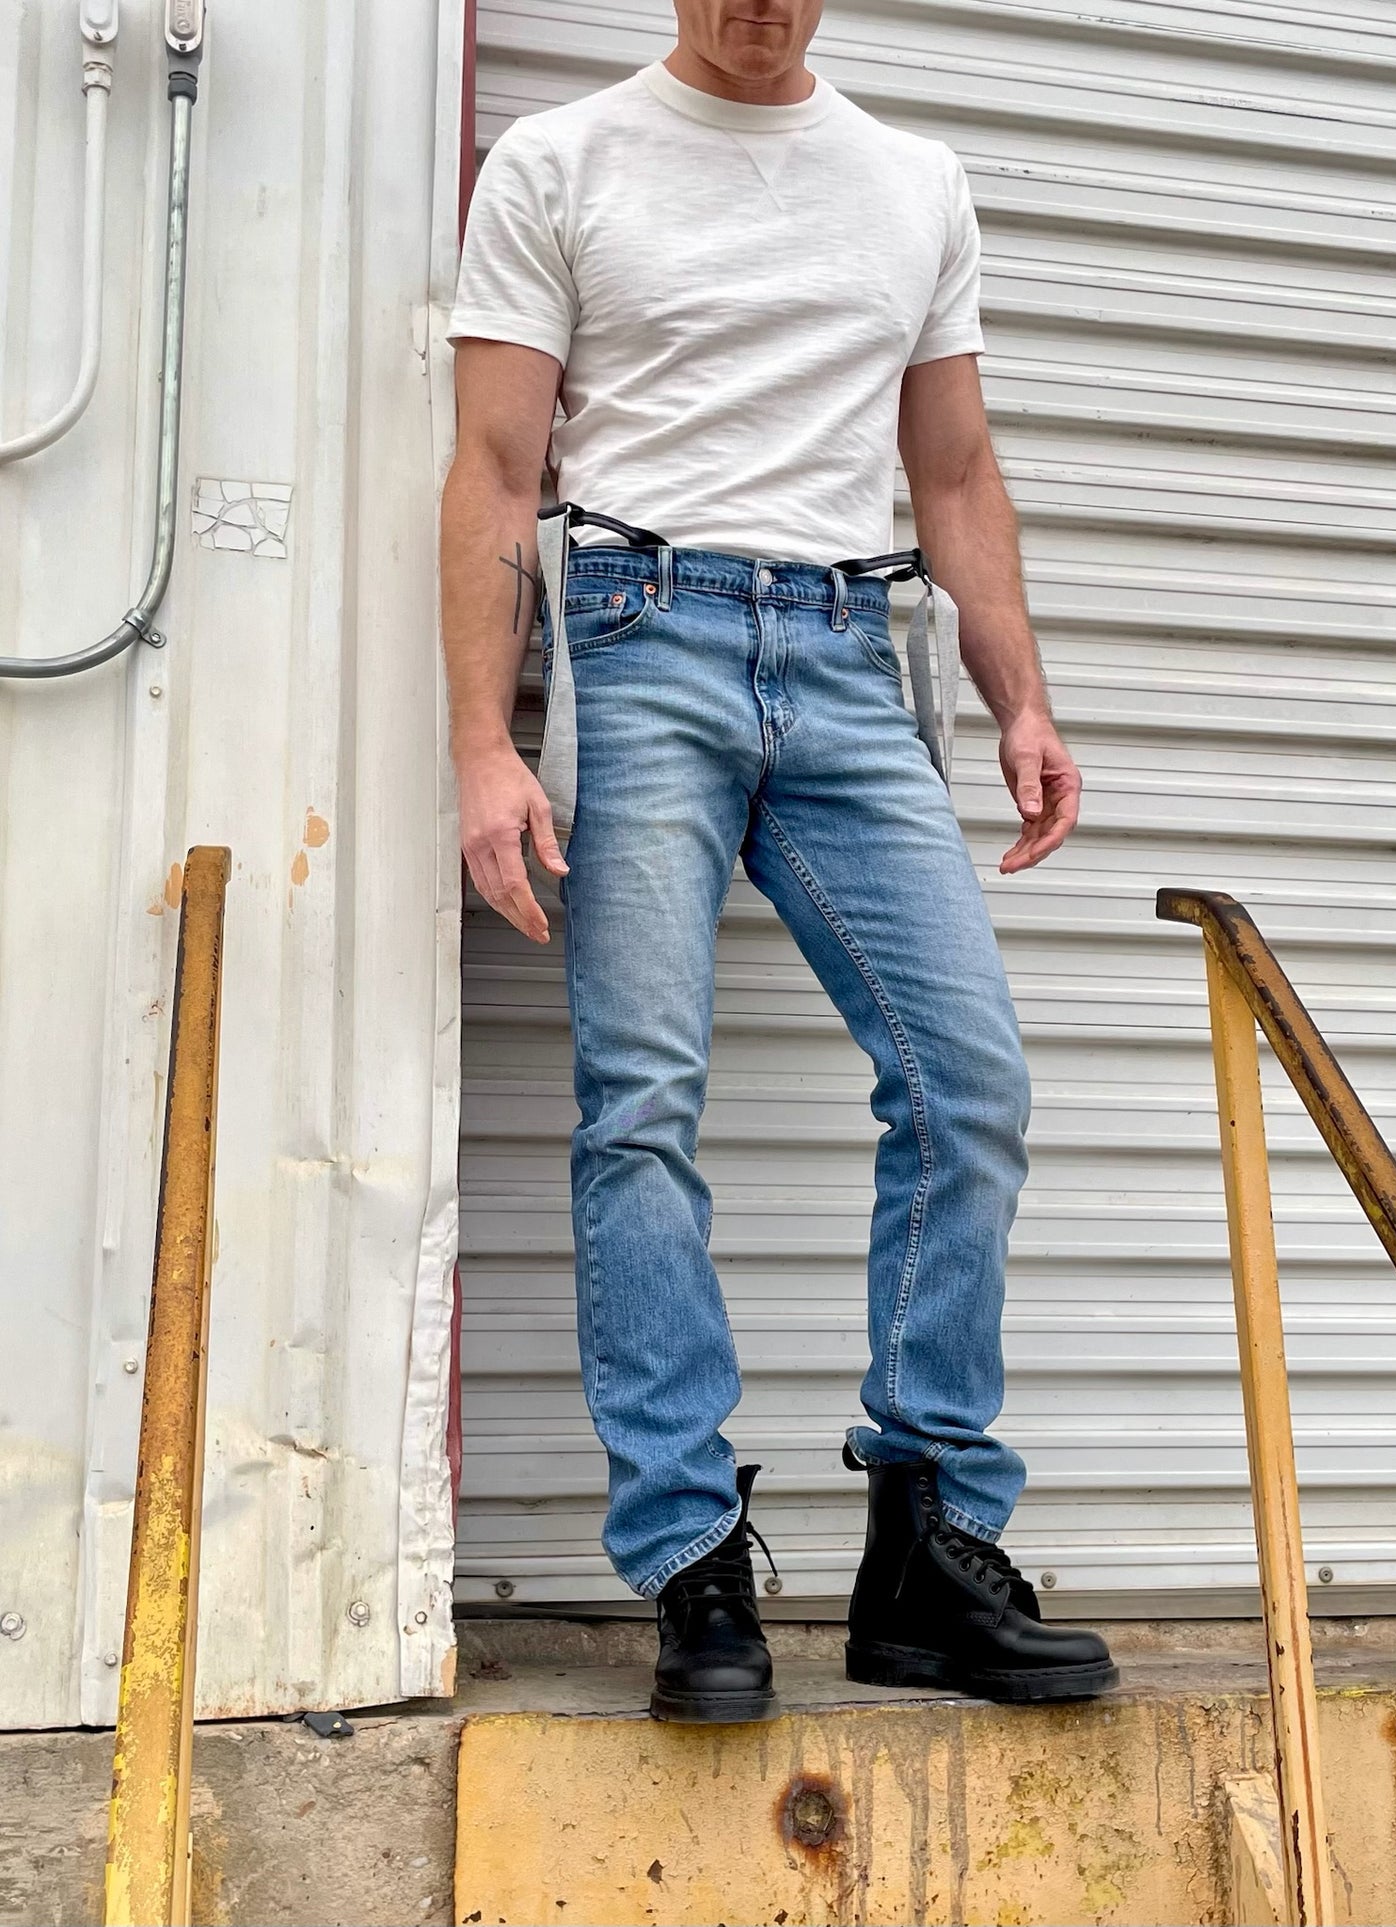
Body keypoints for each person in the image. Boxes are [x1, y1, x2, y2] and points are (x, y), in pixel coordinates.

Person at [441, 0, 1117, 1722]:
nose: (758, 7)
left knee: (965, 1079)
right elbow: (496, 469)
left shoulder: (910, 181)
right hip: (639, 625)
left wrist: (1019, 692)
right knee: (640, 1102)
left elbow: (953, 469)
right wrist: (480, 745)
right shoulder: (563, 159)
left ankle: (928, 1551)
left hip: (846, 651)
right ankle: (689, 1560)